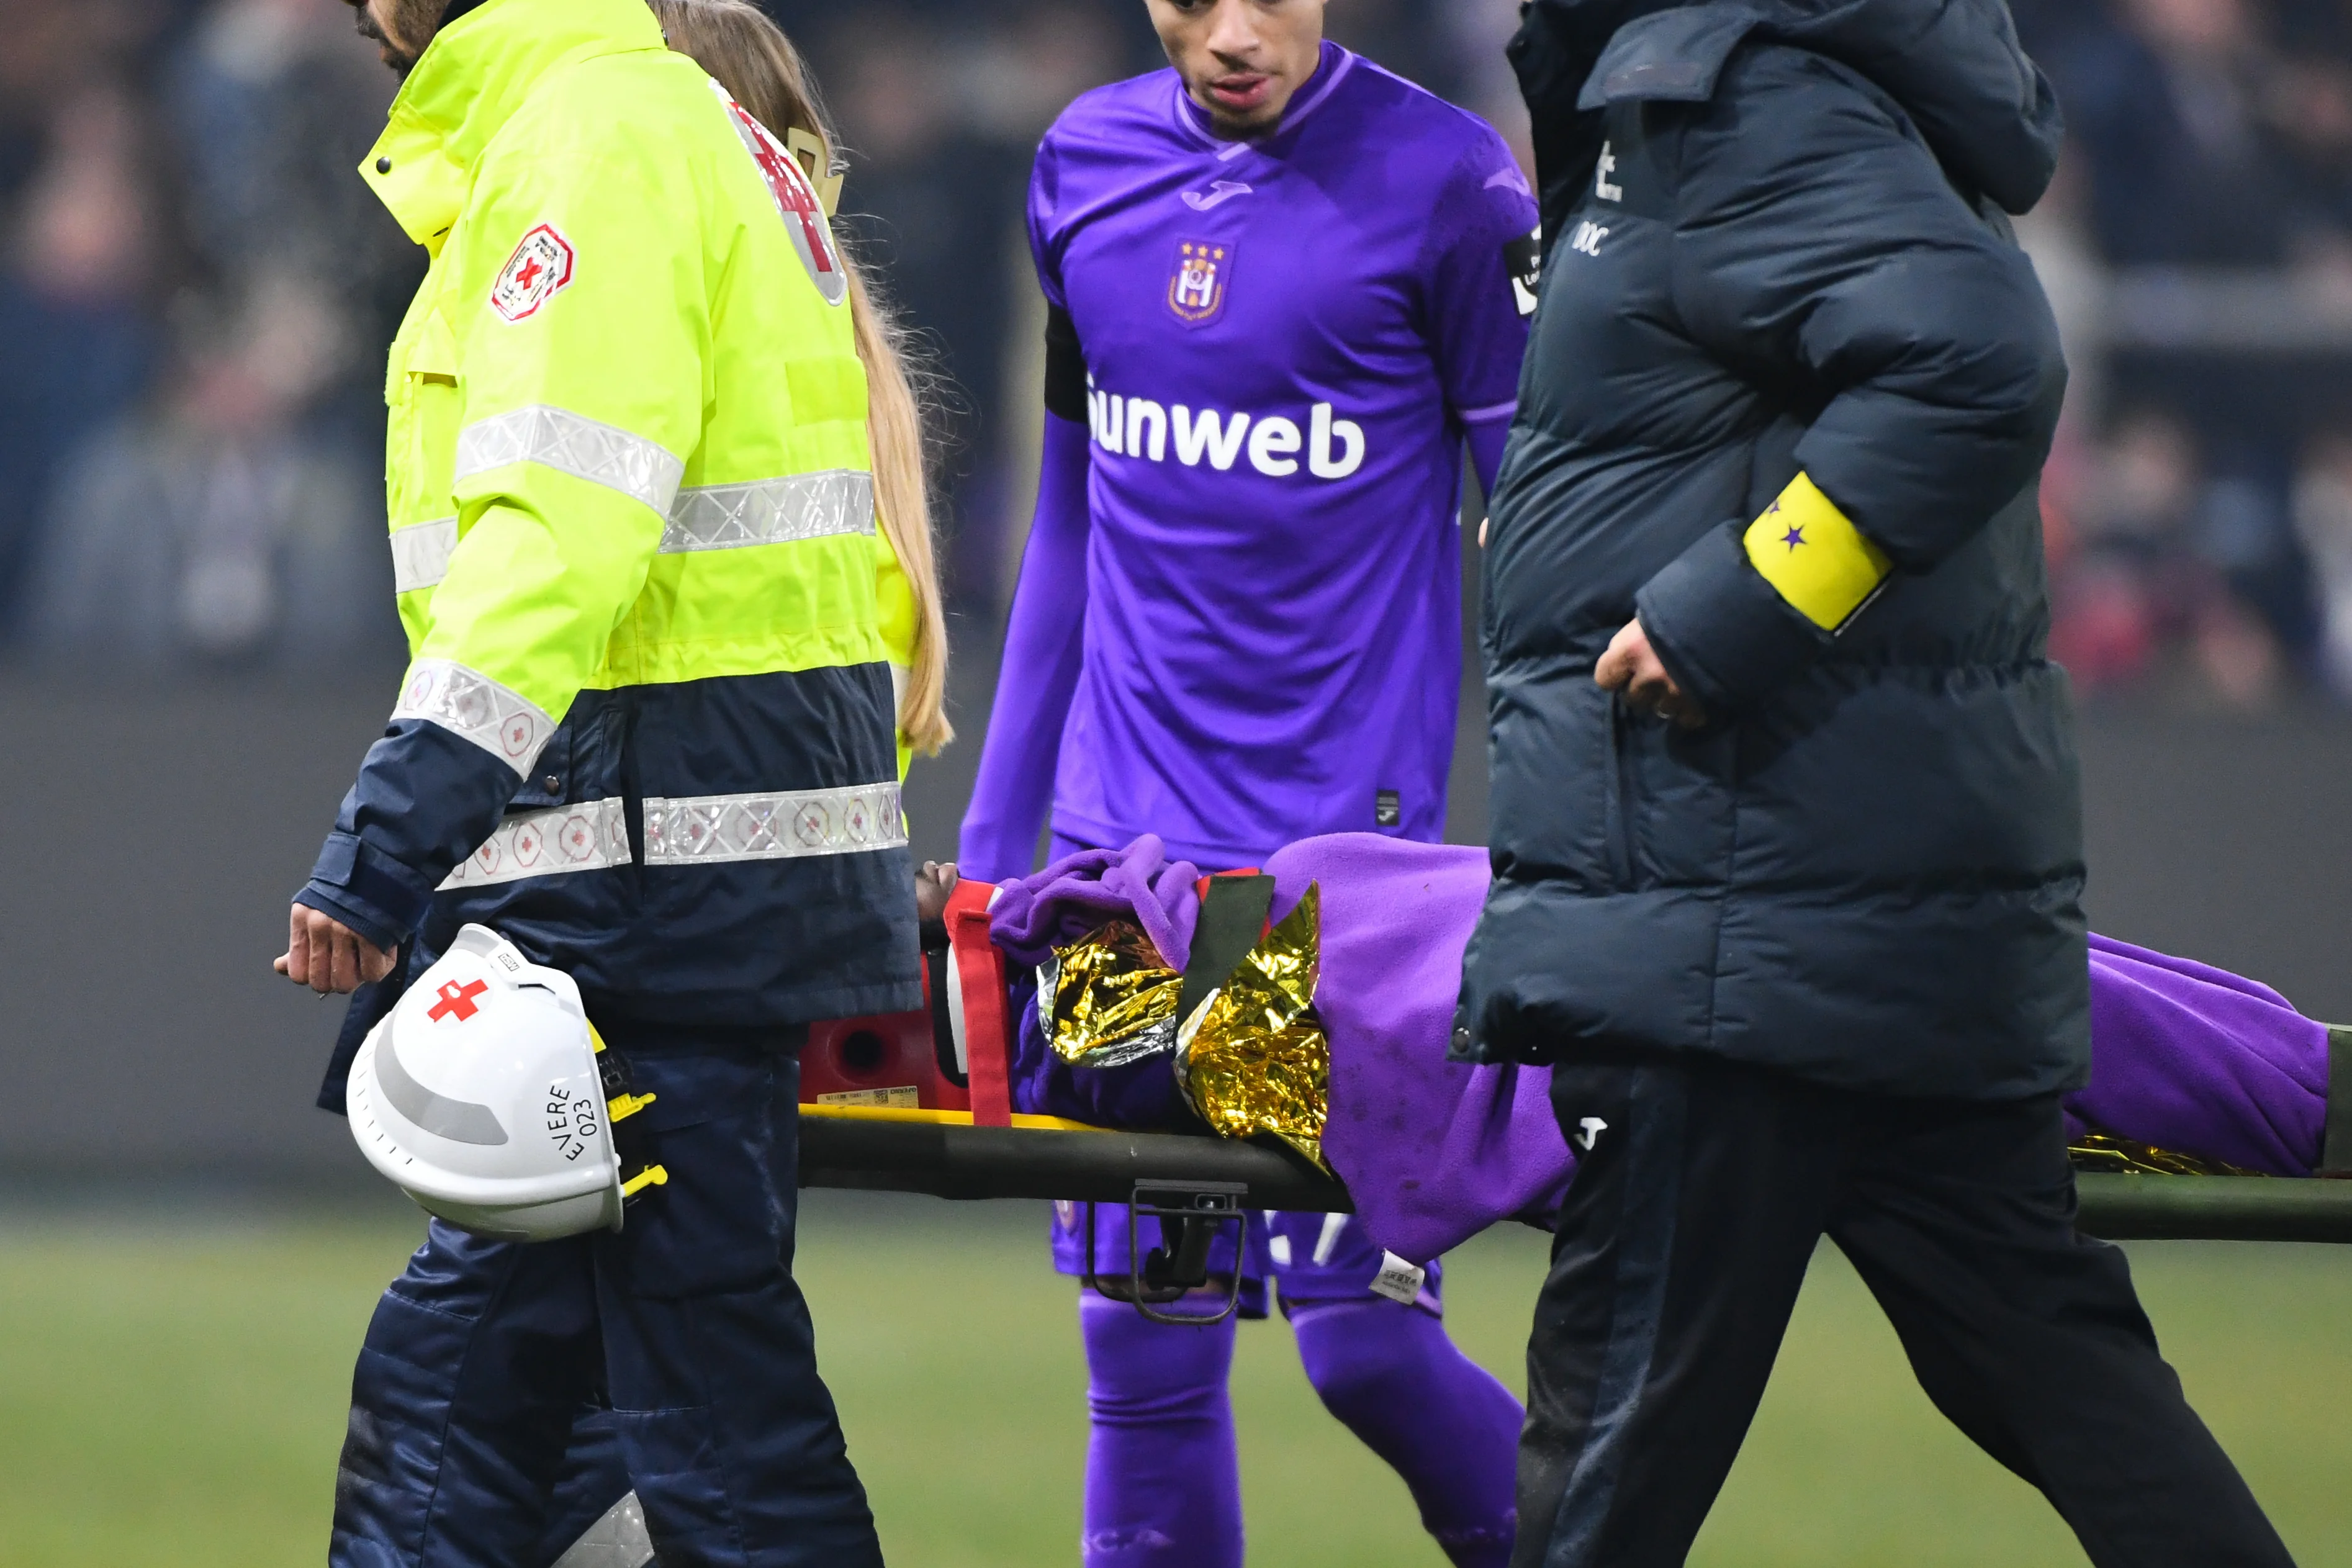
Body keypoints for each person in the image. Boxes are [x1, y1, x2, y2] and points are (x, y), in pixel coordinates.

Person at [1453, 1, 2299, 1566]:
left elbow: (1982, 361)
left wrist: (1739, 604)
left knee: (1600, 1492)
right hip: (1858, 924)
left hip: (1730, 921)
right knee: (2079, 1397)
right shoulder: (1775, 91)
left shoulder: (1745, 95)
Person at [281, 0, 947, 1562]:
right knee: (505, 1400)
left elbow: (553, 539)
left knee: (688, 1439)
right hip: (668, 894)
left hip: (640, 907)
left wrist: (387, 840)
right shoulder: (669, 131)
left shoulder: (594, 140)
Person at [956, 1, 1538, 1564]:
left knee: (1366, 1347)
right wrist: (993, 843)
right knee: (1145, 1355)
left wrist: (1572, 835)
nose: (1227, 32)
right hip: (1118, 883)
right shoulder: (1083, 165)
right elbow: (1070, 526)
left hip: (1333, 890)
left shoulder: (1450, 186)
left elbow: (1541, 543)